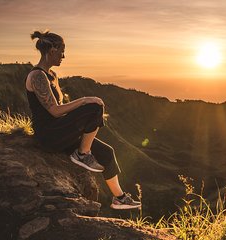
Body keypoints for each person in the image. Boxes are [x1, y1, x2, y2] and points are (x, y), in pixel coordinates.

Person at [25, 30, 141, 210]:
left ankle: (119, 198)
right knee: (95, 106)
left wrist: (78, 114)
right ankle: (82, 154)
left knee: (107, 152)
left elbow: (60, 109)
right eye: (62, 50)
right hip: (48, 135)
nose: (64, 55)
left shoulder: (52, 76)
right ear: (52, 50)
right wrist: (84, 101)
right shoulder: (37, 76)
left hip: (59, 130)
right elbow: (55, 111)